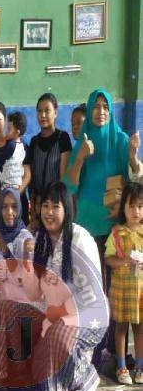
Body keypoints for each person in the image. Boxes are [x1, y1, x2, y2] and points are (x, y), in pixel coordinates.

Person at [63, 89, 142, 357]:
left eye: (105, 106)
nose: (101, 111)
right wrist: (81, 157)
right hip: (87, 226)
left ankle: (116, 353)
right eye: (96, 106)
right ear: (89, 110)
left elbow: (134, 180)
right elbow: (69, 185)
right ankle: (91, 348)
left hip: (115, 227)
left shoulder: (121, 140)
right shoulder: (83, 141)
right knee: (90, 288)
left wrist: (133, 156)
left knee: (116, 288)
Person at [32, 182, 109, 391]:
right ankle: (63, 373)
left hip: (89, 315)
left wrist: (57, 318)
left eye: (55, 206)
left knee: (57, 332)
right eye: (45, 206)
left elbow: (91, 297)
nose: (49, 212)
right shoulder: (41, 240)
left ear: (67, 208)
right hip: (58, 314)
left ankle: (85, 375)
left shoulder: (79, 240)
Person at [0, 188, 38, 380]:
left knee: (5, 318)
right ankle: (7, 363)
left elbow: (25, 279)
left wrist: (4, 248)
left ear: (20, 209)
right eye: (4, 207)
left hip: (24, 309)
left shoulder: (26, 238)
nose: (9, 212)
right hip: (4, 303)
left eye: (14, 207)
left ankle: (10, 365)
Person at [104, 182, 143, 384]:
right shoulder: (116, 233)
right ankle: (121, 367)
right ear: (123, 208)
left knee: (140, 328)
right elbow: (108, 259)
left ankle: (140, 367)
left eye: (140, 206)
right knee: (120, 328)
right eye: (131, 206)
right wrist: (125, 260)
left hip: (140, 291)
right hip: (121, 289)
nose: (136, 211)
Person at [0, 101, 31, 233]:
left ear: (6, 120)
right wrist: (2, 199)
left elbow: (27, 174)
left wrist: (15, 195)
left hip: (18, 209)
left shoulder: (21, 146)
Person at [27, 93, 72, 201]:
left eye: (47, 110)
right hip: (38, 204)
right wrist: (34, 203)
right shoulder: (34, 142)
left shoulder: (63, 138)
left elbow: (64, 177)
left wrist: (58, 202)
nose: (42, 115)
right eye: (39, 111)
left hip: (57, 201)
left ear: (55, 113)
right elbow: (32, 178)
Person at [0, 111, 27, 191]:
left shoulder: (10, 145)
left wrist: (3, 141)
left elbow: (1, 159)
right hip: (18, 185)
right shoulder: (24, 145)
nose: (6, 131)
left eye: (8, 129)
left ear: (17, 132)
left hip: (7, 185)